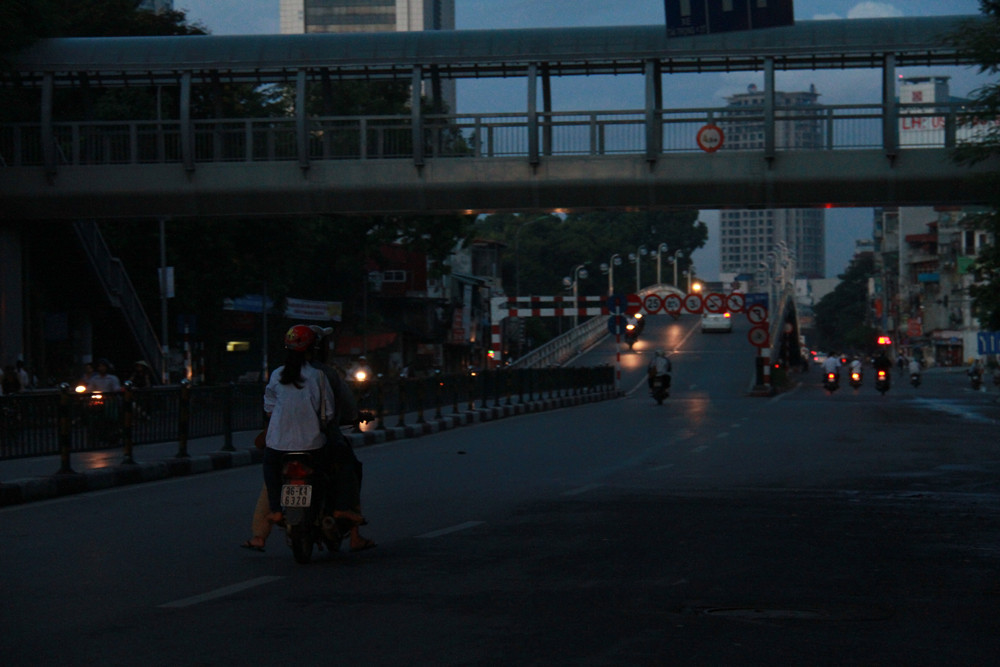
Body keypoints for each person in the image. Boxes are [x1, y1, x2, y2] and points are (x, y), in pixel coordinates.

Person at [260, 325, 336, 525]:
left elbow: (269, 407)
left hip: (278, 445)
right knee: (328, 471)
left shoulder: (277, 374)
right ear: (313, 349)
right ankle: (328, 512)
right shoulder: (318, 376)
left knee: (269, 466)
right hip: (312, 444)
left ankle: (276, 509)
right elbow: (328, 413)